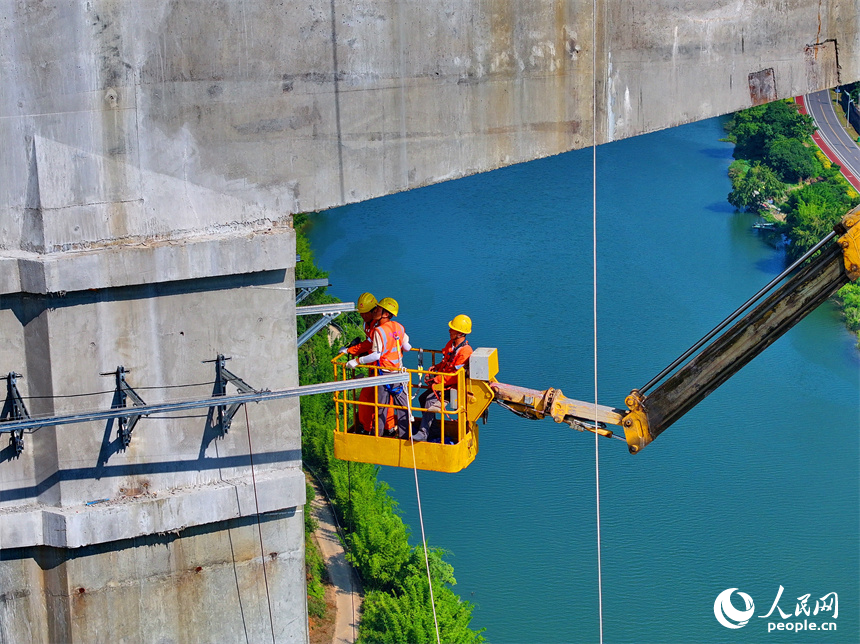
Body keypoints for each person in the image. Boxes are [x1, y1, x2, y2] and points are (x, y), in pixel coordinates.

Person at [347, 297, 412, 437]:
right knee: (402, 405)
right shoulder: (399, 327)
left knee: (381, 405)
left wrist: (357, 361)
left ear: (386, 313)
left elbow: (376, 355)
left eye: (378, 309)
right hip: (398, 372)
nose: (375, 311)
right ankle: (405, 434)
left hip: (384, 373)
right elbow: (407, 347)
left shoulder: (379, 331)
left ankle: (378, 434)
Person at [414, 314, 473, 442]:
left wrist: (437, 380)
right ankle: (433, 430)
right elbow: (446, 362)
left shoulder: (465, 352)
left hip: (451, 386)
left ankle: (423, 433)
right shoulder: (451, 345)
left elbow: (455, 376)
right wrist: (436, 367)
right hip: (443, 383)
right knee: (422, 398)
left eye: (452, 329)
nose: (449, 331)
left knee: (429, 401)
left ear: (459, 333)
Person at [339, 292, 386, 432]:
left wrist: (350, 351)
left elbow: (368, 344)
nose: (362, 316)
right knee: (381, 400)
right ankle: (382, 427)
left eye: (365, 313)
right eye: (361, 313)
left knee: (367, 398)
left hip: (380, 368)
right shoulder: (369, 323)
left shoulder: (377, 326)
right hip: (377, 368)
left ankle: (367, 428)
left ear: (374, 311)